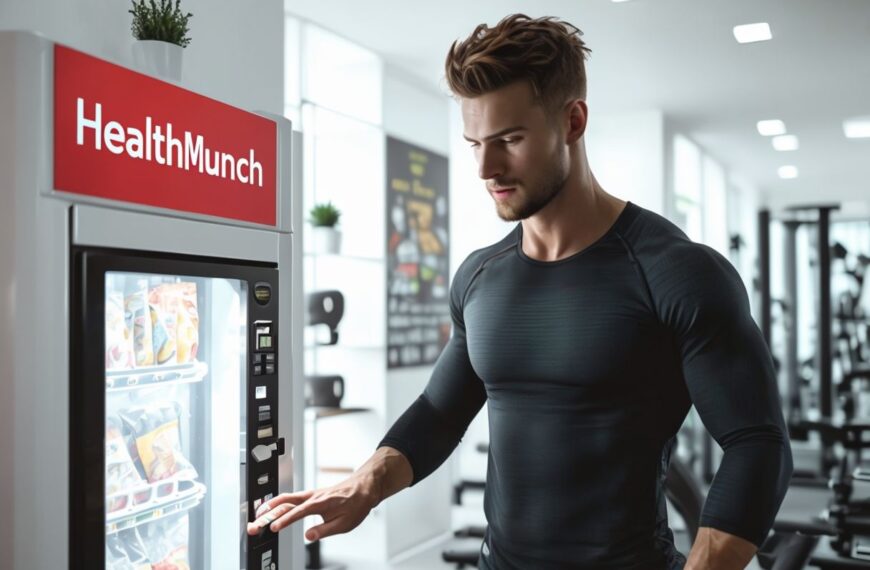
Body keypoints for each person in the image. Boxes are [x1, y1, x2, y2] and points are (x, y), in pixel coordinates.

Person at [248, 14, 792, 569]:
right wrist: (364, 484)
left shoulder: (675, 272)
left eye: (509, 139)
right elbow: (440, 412)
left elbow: (757, 443)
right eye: (474, 143)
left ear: (573, 121)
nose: (487, 167)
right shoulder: (481, 277)